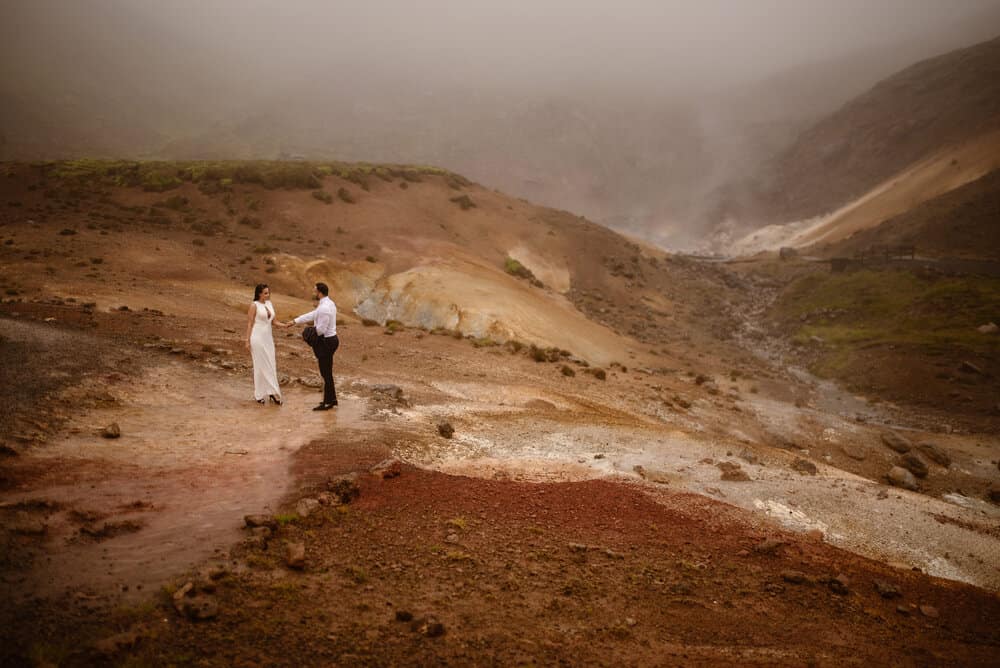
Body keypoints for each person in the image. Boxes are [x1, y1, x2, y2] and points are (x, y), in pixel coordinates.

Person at [286, 282, 339, 411]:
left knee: (325, 372)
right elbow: (313, 314)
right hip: (330, 340)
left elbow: (321, 330)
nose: (314, 293)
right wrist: (295, 321)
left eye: (315, 291)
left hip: (326, 341)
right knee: (327, 372)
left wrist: (307, 332)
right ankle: (331, 400)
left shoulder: (324, 308)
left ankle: (328, 402)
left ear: (320, 292)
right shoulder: (327, 304)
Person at [244, 283, 282, 406]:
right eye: (265, 293)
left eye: (268, 292)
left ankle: (271, 392)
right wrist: (247, 340)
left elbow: (274, 322)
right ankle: (259, 394)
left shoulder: (269, 304)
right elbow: (250, 323)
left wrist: (286, 325)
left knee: (271, 364)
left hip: (268, 339)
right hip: (257, 338)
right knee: (260, 365)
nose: (268, 295)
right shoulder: (254, 305)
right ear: (259, 293)